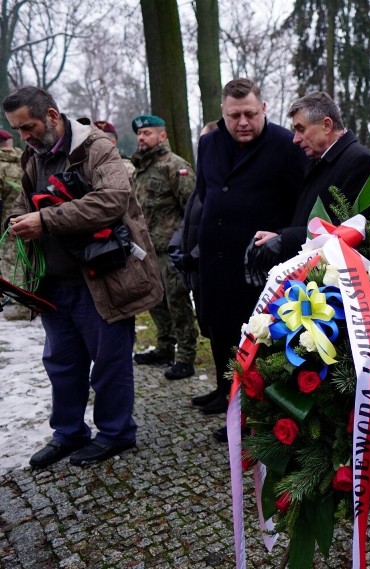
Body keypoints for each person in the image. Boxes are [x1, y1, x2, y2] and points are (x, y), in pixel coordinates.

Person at [3, 86, 162, 467]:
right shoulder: (33, 155)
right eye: (17, 129)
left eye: (29, 127)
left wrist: (44, 220)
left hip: (103, 281)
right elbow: (27, 201)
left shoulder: (97, 148)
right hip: (56, 287)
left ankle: (116, 433)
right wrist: (19, 219)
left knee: (109, 365)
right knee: (62, 365)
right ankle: (69, 433)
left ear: (54, 116)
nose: (24, 136)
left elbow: (112, 200)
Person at [178, 78, 306, 417]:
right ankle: (224, 391)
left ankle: (251, 410)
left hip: (257, 261)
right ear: (223, 112)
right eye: (234, 116)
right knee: (218, 327)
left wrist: (280, 238)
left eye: (250, 114)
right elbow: (205, 192)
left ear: (263, 108)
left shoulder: (285, 144)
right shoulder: (209, 143)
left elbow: (299, 204)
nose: (243, 122)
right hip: (214, 255)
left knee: (254, 334)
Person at [246, 90, 370, 284]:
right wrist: (278, 236)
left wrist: (285, 241)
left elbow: (346, 230)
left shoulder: (359, 161)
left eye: (301, 129)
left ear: (326, 125)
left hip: (334, 286)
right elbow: (308, 220)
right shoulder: (318, 160)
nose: (295, 139)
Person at [130, 114, 198, 380]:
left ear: (163, 136)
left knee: (178, 301)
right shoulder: (142, 169)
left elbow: (191, 208)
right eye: (139, 134)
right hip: (146, 249)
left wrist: (185, 246)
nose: (141, 138)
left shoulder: (175, 166)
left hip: (171, 250)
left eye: (147, 133)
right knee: (155, 301)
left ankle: (186, 356)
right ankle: (165, 347)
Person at [0, 128, 29, 320]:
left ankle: (23, 306)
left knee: (11, 263)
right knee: (27, 261)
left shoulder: (1, 166)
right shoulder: (24, 160)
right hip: (29, 218)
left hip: (7, 223)